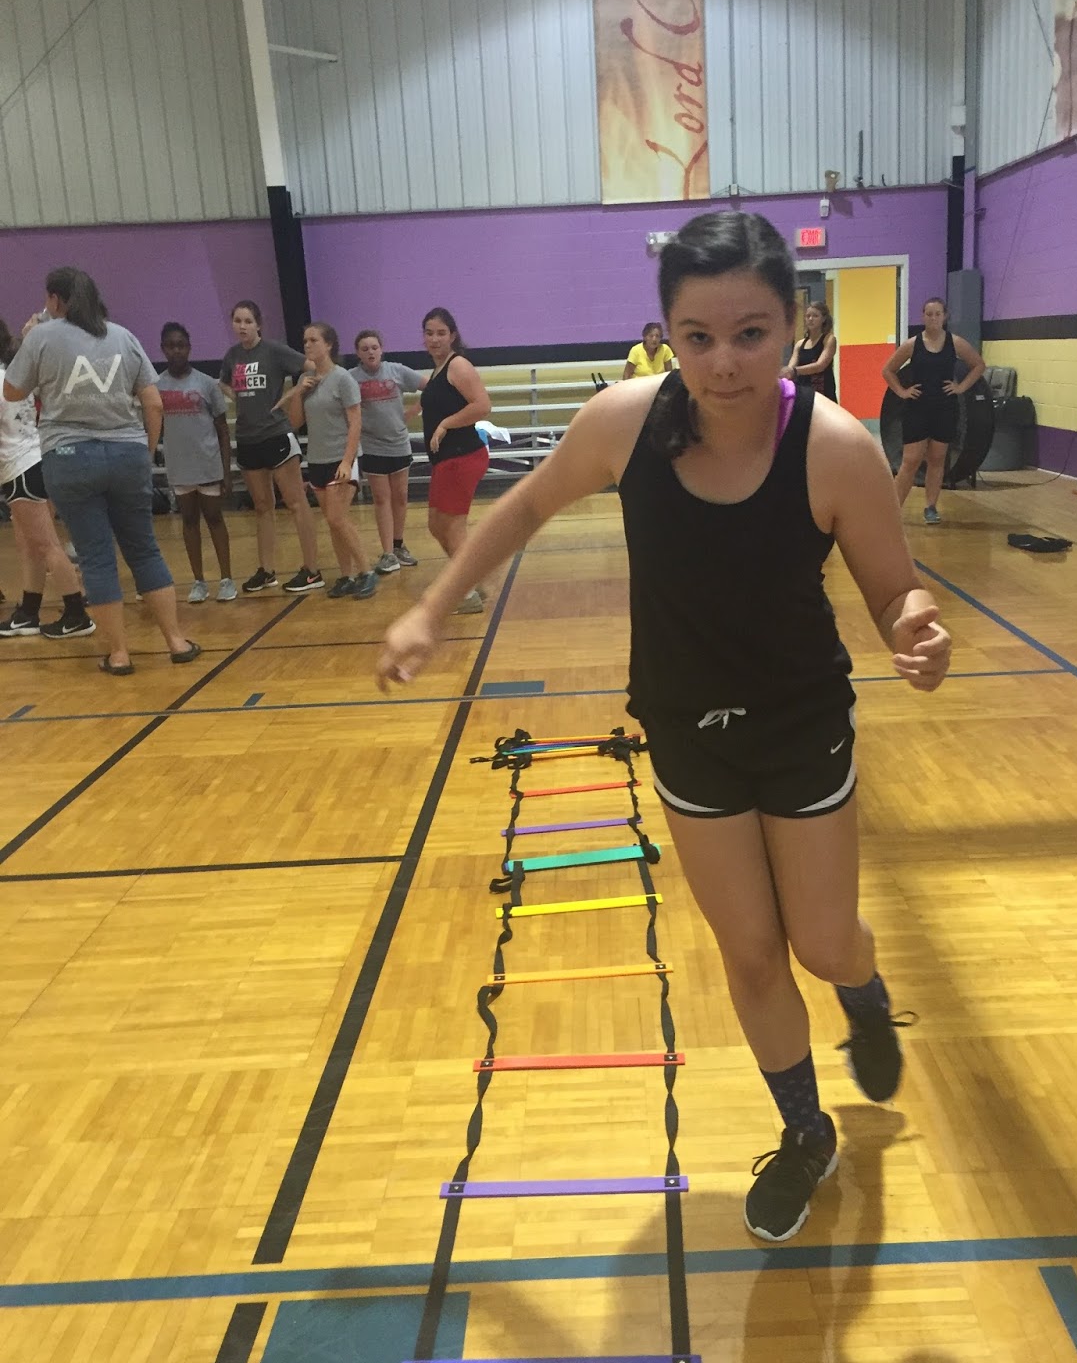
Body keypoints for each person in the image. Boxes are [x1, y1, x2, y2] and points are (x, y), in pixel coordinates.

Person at [377, 212, 951, 1243]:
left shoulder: (835, 448)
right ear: (667, 333)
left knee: (821, 941)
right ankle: (805, 1129)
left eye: (751, 333)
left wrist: (921, 632)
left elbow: (894, 592)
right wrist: (430, 603)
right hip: (688, 727)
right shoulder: (622, 422)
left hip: (800, 722)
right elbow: (519, 510)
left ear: (792, 329)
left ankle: (862, 992)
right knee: (749, 951)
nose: (723, 362)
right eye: (698, 336)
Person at [3, 268, 200, 674]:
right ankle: (176, 642)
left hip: (70, 456)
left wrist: (29, 338)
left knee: (96, 556)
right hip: (127, 452)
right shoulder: (123, 336)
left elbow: (13, 390)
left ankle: (120, 654)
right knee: (144, 548)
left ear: (55, 300)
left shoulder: (42, 335)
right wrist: (143, 453)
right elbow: (154, 403)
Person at [219, 299, 323, 593]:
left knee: (295, 502)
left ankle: (313, 570)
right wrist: (236, 397)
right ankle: (266, 571)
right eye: (237, 321)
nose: (242, 326)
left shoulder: (274, 351)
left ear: (258, 324)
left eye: (248, 321)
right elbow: (223, 382)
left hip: (276, 435)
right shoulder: (232, 356)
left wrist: (298, 391)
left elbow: (309, 367)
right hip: (249, 438)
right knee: (262, 507)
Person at [0, 317, 94, 639]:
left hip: (21, 468)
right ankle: (28, 612)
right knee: (30, 546)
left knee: (48, 546)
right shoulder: (12, 376)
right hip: (33, 463)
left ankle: (77, 613)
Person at [282, 323, 376, 599]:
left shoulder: (343, 379)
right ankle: (346, 575)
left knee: (337, 518)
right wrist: (299, 391)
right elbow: (295, 422)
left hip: (340, 458)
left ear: (329, 345)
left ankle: (367, 572)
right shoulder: (307, 380)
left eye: (313, 340)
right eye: (305, 340)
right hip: (318, 460)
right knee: (333, 521)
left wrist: (347, 461)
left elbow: (356, 422)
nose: (308, 345)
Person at [882, 297, 985, 524]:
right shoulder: (912, 344)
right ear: (923, 316)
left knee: (937, 459)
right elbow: (888, 370)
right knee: (910, 461)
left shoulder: (955, 343)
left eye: (938, 314)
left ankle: (931, 507)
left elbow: (978, 365)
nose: (933, 318)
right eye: (929, 314)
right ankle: (893, 510)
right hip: (917, 408)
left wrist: (960, 387)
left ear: (944, 316)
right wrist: (902, 391)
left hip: (944, 408)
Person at [156, 322, 236, 603]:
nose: (176, 350)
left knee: (214, 518)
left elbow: (223, 430)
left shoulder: (205, 383)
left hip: (208, 464)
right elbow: (154, 425)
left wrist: (225, 471)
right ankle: (199, 581)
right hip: (179, 467)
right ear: (163, 349)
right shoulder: (157, 386)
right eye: (171, 345)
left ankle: (226, 579)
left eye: (181, 345)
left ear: (189, 348)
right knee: (189, 521)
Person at [419, 307, 492, 615]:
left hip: (463, 456)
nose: (434, 339)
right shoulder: (437, 371)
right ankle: (471, 580)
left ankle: (468, 592)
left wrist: (446, 423)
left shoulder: (457, 365)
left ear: (453, 336)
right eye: (429, 333)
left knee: (452, 526)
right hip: (445, 460)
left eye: (441, 333)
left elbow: (483, 406)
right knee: (436, 525)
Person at [350, 329, 426, 573]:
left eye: (374, 347)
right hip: (372, 446)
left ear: (381, 349)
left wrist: (413, 412)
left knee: (400, 497)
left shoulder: (397, 371)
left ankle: (398, 545)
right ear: (358, 354)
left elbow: (432, 386)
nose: (370, 352)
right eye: (365, 349)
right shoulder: (351, 378)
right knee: (381, 498)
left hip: (399, 444)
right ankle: (387, 553)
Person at [784, 300, 837, 401]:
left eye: (815, 316)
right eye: (808, 316)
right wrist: (785, 372)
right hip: (804, 394)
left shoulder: (829, 339)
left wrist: (794, 371)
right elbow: (791, 366)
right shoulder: (800, 344)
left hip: (823, 393)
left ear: (824, 319)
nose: (811, 319)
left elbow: (820, 366)